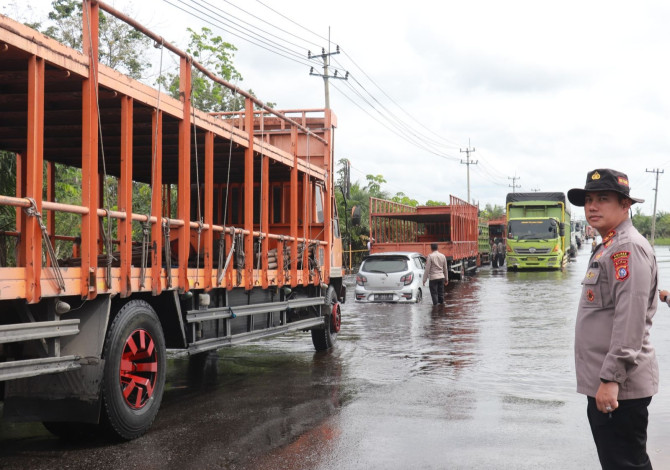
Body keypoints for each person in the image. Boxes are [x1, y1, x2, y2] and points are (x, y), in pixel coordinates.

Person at [568, 168, 658, 470]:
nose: (592, 206)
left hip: (619, 386)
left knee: (625, 464)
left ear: (625, 205)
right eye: (588, 199)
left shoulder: (626, 248)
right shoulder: (608, 245)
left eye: (602, 199)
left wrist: (610, 379)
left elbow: (629, 319)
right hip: (609, 383)